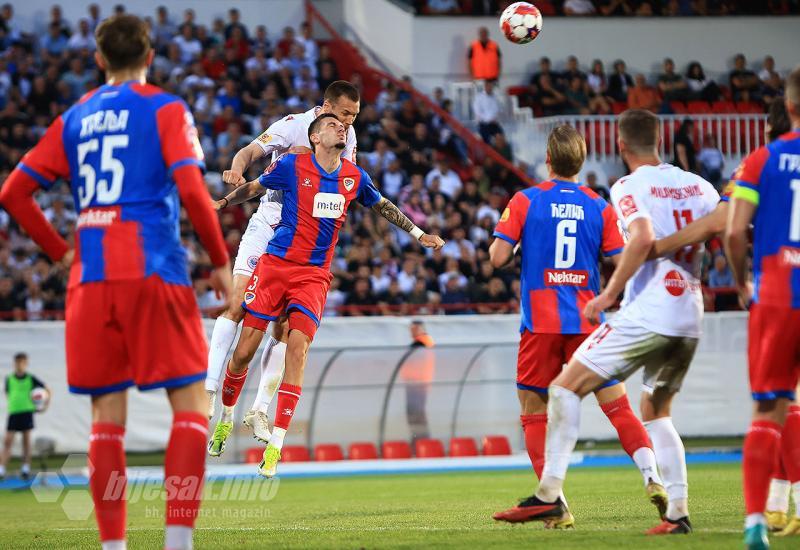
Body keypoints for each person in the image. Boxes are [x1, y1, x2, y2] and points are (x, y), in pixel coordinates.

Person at [0, 14, 231, 550]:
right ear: (149, 57)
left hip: (90, 279)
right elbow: (194, 193)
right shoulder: (165, 108)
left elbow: (13, 193)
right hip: (153, 268)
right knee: (191, 406)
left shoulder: (75, 118)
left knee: (106, 418)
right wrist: (220, 261)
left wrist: (61, 253)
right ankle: (177, 543)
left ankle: (113, 547)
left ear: (99, 59)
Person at [506, 110, 719, 535]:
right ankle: (675, 510)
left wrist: (608, 295)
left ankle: (550, 498)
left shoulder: (625, 186)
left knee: (562, 388)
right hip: (689, 312)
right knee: (653, 412)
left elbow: (639, 241)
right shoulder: (700, 185)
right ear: (661, 140)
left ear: (621, 146)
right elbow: (725, 225)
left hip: (641, 312)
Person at [213, 114, 444, 477]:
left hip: (313, 276)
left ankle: (276, 444)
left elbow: (382, 205)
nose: (342, 128)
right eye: (333, 125)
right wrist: (223, 203)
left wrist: (419, 235)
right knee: (243, 351)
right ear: (316, 137)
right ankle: (226, 416)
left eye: (346, 125)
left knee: (298, 348)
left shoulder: (354, 176)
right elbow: (255, 187)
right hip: (276, 265)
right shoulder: (292, 165)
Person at [490, 124, 667, 528]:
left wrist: (513, 242)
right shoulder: (599, 206)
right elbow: (622, 259)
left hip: (540, 324)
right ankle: (653, 477)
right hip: (588, 323)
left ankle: (558, 504)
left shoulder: (524, 201)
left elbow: (497, 258)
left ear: (548, 159)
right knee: (617, 405)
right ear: (581, 160)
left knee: (534, 412)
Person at [204, 81, 361, 453]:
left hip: (305, 239)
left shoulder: (347, 137)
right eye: (343, 114)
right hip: (269, 223)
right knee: (238, 303)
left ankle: (259, 408)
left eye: (354, 117)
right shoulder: (293, 125)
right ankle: (210, 389)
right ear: (325, 108)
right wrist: (234, 172)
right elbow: (250, 150)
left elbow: (344, 181)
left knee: (287, 328)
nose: (349, 123)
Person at [725, 67, 800, 548]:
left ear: (789, 107)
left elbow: (733, 232)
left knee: (768, 407)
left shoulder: (762, 159)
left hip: (777, 292)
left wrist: (740, 281)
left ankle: (757, 521)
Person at [0, 353, 48, 480]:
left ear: (26, 363)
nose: (20, 365)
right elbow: (8, 393)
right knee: (7, 441)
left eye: (22, 362)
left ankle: (25, 469)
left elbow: (47, 390)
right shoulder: (9, 378)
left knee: (26, 442)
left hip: (26, 413)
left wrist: (44, 406)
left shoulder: (31, 378)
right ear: (14, 363)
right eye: (17, 362)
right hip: (14, 413)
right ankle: (1, 469)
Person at [399, 320, 435, 442]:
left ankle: (420, 440)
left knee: (415, 414)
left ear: (420, 329)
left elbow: (411, 358)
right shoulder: (423, 342)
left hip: (417, 384)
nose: (411, 332)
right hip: (415, 384)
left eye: (413, 329)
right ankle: (420, 439)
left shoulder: (421, 342)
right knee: (416, 414)